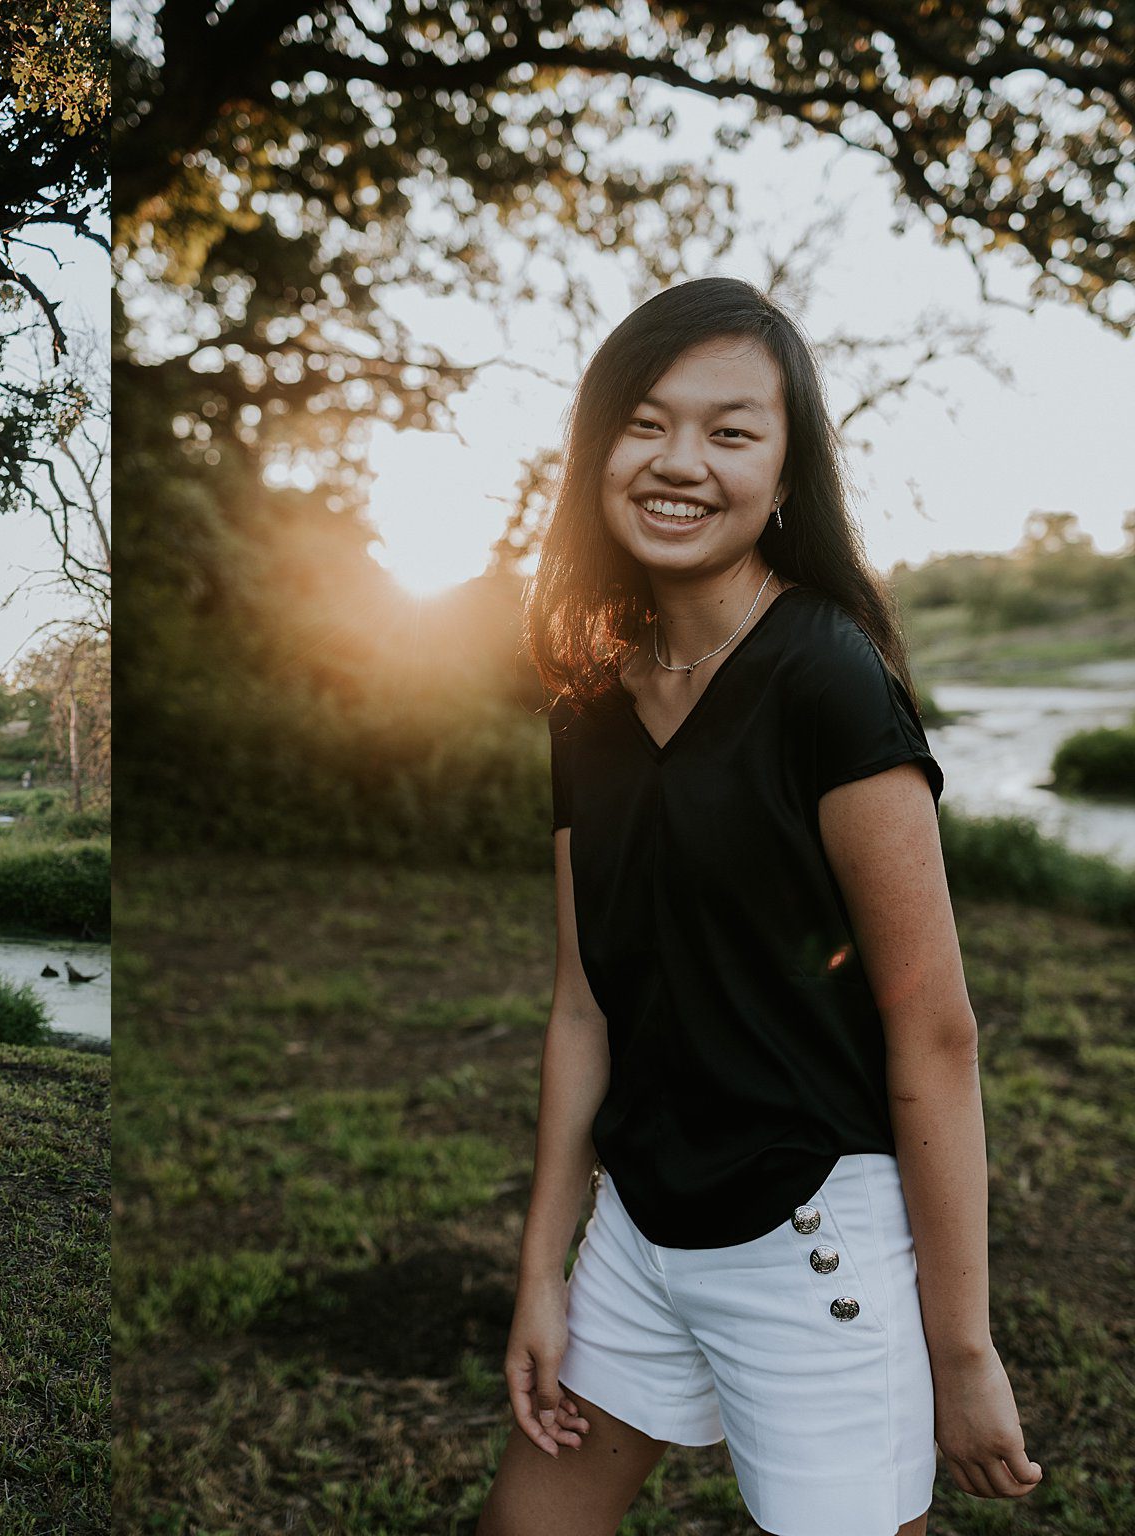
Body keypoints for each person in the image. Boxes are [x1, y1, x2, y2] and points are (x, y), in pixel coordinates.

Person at [476, 279, 1041, 1535]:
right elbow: (582, 1006)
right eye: (645, 422)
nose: (680, 462)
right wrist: (541, 1273)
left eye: (730, 432)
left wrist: (960, 1351)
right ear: (596, 451)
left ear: (783, 479)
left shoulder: (826, 677)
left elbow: (932, 1031)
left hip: (811, 1243)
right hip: (637, 1230)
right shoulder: (586, 704)